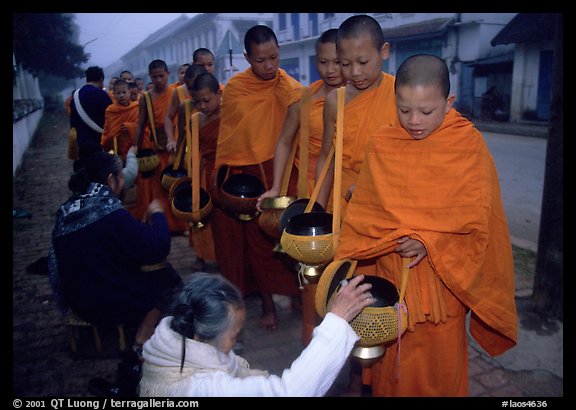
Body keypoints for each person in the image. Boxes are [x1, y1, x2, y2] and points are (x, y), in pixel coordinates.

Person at [335, 54, 518, 396]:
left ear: (449, 103)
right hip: (392, 276)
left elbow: (478, 219)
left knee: (440, 372)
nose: (414, 121)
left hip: (441, 283)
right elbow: (370, 211)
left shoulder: (466, 145)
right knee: (393, 368)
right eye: (404, 110)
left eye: (426, 111)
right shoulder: (384, 142)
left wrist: (428, 240)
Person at [139, 272, 375, 397]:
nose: (235, 343)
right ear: (204, 337)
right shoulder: (197, 388)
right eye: (234, 336)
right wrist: (337, 321)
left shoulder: (171, 342)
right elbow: (289, 393)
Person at [255, 28, 344, 345]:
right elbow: (283, 142)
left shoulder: (363, 98)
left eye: (338, 62)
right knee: (314, 276)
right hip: (314, 192)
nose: (331, 70)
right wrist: (275, 187)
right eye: (323, 62)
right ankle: (315, 338)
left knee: (345, 274)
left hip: (350, 195)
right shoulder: (305, 100)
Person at [213, 25, 303, 330]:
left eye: (274, 57)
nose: (269, 66)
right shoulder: (237, 90)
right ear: (247, 57)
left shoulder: (290, 87)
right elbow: (231, 138)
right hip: (252, 177)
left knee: (292, 237)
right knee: (258, 246)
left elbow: (300, 135)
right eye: (261, 60)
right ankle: (268, 306)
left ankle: (299, 296)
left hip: (286, 171)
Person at [48, 151, 183, 351]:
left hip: (76, 301)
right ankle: (143, 332)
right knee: (169, 278)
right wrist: (158, 215)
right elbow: (158, 248)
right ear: (111, 180)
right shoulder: (110, 211)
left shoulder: (66, 209)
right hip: (108, 303)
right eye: (121, 177)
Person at [314, 15, 397, 214]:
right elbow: (327, 159)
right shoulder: (335, 101)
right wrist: (317, 209)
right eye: (345, 64)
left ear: (384, 52)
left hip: (386, 202)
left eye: (363, 61)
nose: (355, 72)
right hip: (341, 206)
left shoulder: (400, 95)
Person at [134, 59, 189, 233]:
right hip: (157, 149)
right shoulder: (146, 99)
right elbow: (141, 124)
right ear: (150, 76)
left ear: (168, 74)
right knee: (159, 188)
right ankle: (164, 224)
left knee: (178, 185)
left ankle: (181, 224)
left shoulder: (176, 93)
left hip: (177, 147)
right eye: (155, 77)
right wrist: (136, 147)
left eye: (161, 76)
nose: (158, 80)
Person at [176, 71, 219, 271]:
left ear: (219, 94)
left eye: (206, 101)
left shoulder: (230, 114)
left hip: (226, 172)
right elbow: (195, 149)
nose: (202, 106)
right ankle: (202, 255)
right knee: (202, 214)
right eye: (197, 102)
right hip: (204, 172)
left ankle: (225, 256)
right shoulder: (196, 119)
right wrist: (194, 178)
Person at [100, 79, 140, 216]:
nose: (121, 95)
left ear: (130, 93)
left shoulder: (136, 107)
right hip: (117, 152)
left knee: (137, 186)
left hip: (134, 149)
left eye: (124, 92)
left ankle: (138, 213)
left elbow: (142, 128)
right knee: (119, 186)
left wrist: (130, 127)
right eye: (118, 93)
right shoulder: (111, 111)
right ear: (114, 94)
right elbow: (107, 131)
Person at [69, 66, 112, 167]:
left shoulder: (75, 96)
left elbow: (73, 124)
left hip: (82, 143)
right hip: (99, 142)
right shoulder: (102, 95)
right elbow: (110, 119)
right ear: (101, 79)